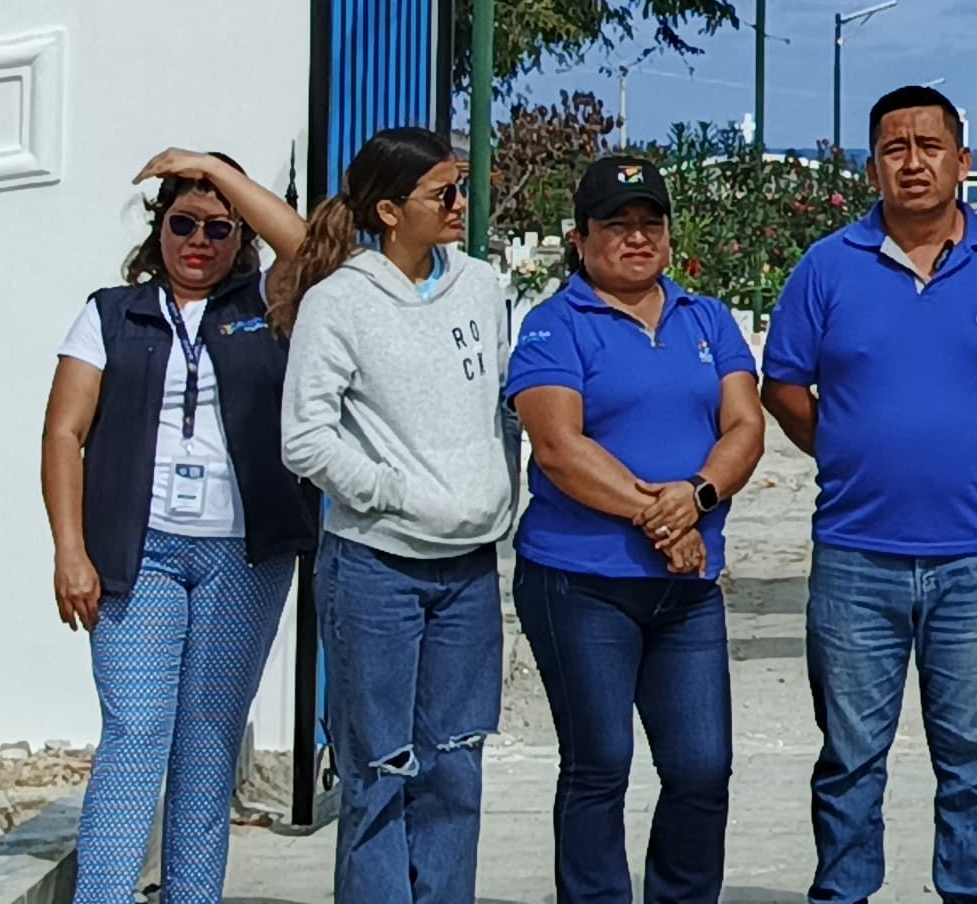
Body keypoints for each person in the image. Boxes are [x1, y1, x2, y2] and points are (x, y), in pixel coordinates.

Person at [761, 86, 977, 904]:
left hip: (976, 561)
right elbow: (784, 386)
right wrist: (845, 450)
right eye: (894, 148)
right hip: (855, 557)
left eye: (929, 146)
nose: (913, 162)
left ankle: (973, 892)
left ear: (962, 162)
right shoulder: (828, 265)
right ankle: (843, 894)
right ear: (871, 167)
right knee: (849, 760)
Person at [40, 151, 317, 904]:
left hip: (243, 557)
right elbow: (64, 433)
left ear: (241, 234)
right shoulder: (111, 313)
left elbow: (310, 247)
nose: (198, 241)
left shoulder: (266, 304)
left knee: (208, 744)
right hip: (139, 553)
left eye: (219, 227)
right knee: (134, 734)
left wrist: (208, 168)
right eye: (183, 223)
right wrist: (70, 550)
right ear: (158, 227)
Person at [505, 155, 768, 904]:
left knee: (701, 769)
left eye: (651, 222)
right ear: (580, 238)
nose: (637, 237)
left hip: (687, 590)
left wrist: (698, 496)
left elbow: (745, 426)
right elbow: (559, 447)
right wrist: (663, 520)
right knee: (600, 763)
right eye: (616, 224)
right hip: (581, 583)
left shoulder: (706, 319)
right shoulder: (554, 325)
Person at [278, 127, 514, 904]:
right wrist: (392, 491)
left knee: (455, 765)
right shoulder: (338, 302)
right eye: (442, 193)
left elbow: (503, 404)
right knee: (379, 771)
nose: (459, 205)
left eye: (461, 189)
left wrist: (492, 492)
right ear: (389, 210)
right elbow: (304, 438)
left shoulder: (482, 286)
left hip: (468, 568)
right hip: (375, 569)